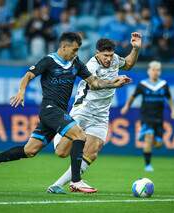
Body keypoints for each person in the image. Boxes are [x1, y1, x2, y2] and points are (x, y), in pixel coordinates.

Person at [0, 32, 131, 193]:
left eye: (78, 50)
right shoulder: (49, 61)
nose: (76, 54)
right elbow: (28, 75)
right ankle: (76, 181)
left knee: (30, 150)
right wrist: (21, 91)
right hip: (49, 109)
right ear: (64, 47)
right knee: (80, 136)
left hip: (59, 112)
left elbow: (95, 83)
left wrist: (113, 83)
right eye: (74, 50)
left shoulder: (76, 63)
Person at [47, 32, 142, 194]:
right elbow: (95, 85)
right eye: (105, 55)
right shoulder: (90, 66)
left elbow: (128, 64)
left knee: (94, 149)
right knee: (61, 152)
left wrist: (136, 49)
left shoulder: (114, 60)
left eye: (111, 55)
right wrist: (114, 83)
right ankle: (57, 133)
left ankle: (59, 185)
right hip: (83, 110)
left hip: (101, 114)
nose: (109, 59)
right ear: (97, 53)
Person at [121, 61, 174, 172]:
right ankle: (148, 165)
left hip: (159, 118)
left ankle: (144, 134)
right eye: (153, 69)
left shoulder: (164, 85)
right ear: (148, 71)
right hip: (146, 117)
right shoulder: (143, 85)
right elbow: (133, 96)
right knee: (149, 137)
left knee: (158, 144)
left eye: (158, 70)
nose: (155, 72)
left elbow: (169, 98)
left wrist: (173, 111)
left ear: (160, 72)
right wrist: (126, 106)